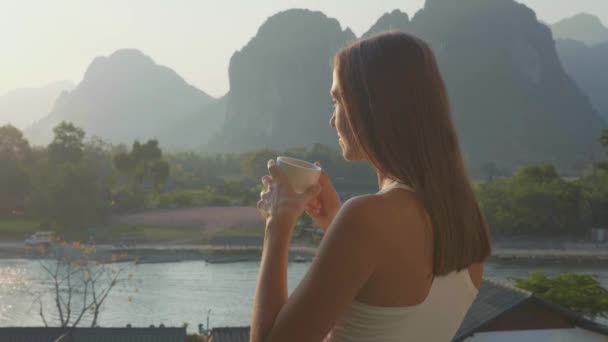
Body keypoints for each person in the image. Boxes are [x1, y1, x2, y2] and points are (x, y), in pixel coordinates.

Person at [251, 31, 492, 342]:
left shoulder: (368, 217)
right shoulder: (466, 222)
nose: (331, 119)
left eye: (337, 100)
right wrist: (334, 221)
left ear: (368, 108)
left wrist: (277, 224)